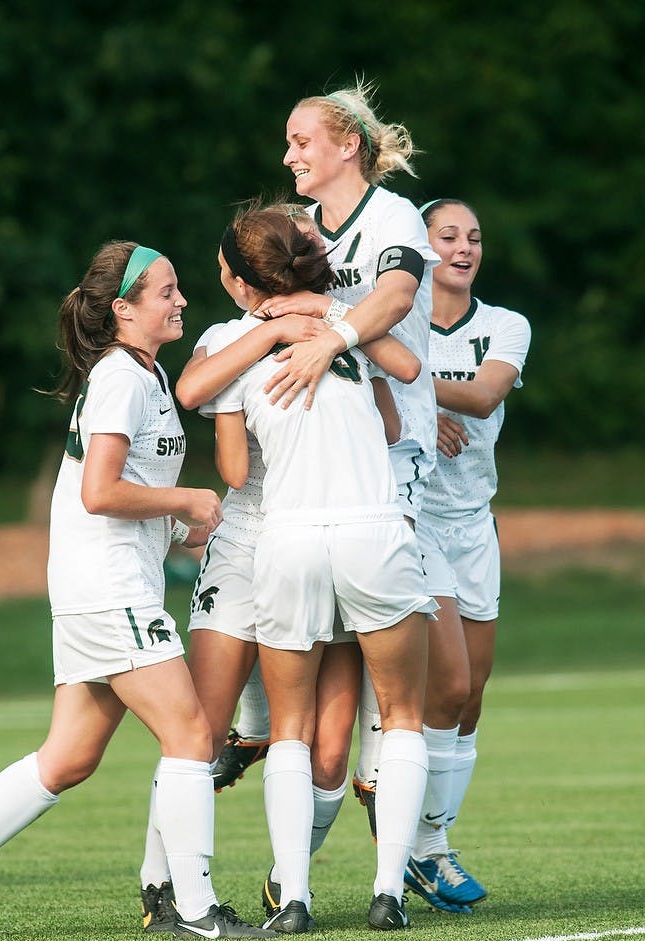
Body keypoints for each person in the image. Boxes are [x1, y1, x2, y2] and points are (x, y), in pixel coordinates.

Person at [0, 241, 275, 941]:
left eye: (177, 289)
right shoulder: (122, 377)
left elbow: (119, 495)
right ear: (123, 309)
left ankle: (180, 901)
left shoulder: (142, 375)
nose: (180, 301)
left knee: (68, 759)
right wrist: (188, 499)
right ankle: (194, 909)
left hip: (100, 585)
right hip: (109, 590)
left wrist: (180, 530)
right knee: (191, 735)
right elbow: (100, 490)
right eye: (165, 291)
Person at [213, 80, 441, 819]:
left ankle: (402, 815)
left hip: (391, 456)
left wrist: (328, 330)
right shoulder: (301, 227)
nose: (289, 156)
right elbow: (260, 295)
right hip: (311, 462)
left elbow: (399, 300)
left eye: (301, 140)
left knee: (430, 685)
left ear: (349, 145)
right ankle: (296, 870)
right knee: (321, 722)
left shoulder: (395, 216)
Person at [208, 202, 438, 934]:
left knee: (294, 728)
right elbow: (406, 377)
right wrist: (334, 314)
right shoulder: (350, 324)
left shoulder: (232, 341)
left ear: (241, 281)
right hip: (374, 531)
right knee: (402, 717)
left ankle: (297, 901)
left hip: (290, 538)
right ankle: (388, 894)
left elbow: (235, 467)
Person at [398, 198, 531, 913]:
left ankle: (429, 845)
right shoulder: (393, 316)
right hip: (410, 523)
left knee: (470, 700)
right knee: (444, 687)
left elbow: (483, 396)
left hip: (474, 525)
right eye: (447, 235)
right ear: (420, 245)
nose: (464, 246)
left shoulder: (506, 325)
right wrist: (423, 410)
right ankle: (419, 848)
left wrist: (425, 397)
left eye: (474, 237)